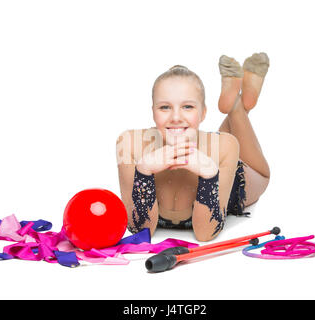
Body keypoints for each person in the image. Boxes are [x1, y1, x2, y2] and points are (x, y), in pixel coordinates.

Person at [116, 53, 271, 241]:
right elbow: (140, 230)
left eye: (187, 107)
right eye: (165, 107)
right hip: (209, 148)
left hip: (223, 179)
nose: (175, 117)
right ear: (153, 111)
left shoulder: (225, 146)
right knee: (216, 142)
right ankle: (238, 102)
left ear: (203, 113)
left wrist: (209, 174)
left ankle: (237, 106)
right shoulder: (129, 144)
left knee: (263, 176)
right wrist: (144, 171)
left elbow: (205, 234)